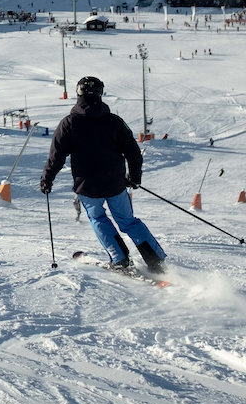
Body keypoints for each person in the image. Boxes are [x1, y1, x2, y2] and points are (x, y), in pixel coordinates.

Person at [39, 75, 167, 273]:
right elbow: (134, 152)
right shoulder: (115, 122)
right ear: (100, 93)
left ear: (78, 93)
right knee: (128, 221)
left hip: (87, 187)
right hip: (114, 184)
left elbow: (56, 156)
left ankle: (120, 258)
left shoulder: (68, 124)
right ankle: (155, 259)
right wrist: (134, 177)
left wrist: (47, 179)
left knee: (98, 219)